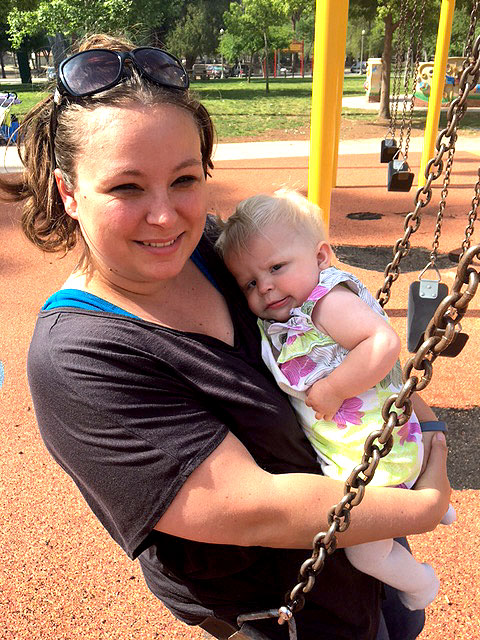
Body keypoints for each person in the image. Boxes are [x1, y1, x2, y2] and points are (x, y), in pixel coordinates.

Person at [0, 33, 451, 640]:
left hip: (363, 557)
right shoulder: (80, 356)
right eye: (126, 187)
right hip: (289, 612)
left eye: (184, 179)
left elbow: (322, 303)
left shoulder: (216, 250)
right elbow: (256, 508)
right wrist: (423, 505)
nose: (166, 216)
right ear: (68, 192)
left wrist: (396, 395)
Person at [215, 189, 456, 613]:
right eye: (250, 282)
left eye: (276, 267)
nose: (266, 286)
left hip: (377, 453)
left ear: (322, 256)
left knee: (365, 553)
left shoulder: (325, 303)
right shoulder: (289, 313)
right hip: (366, 445)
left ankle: (421, 583)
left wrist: (333, 389)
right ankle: (426, 498)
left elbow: (382, 343)